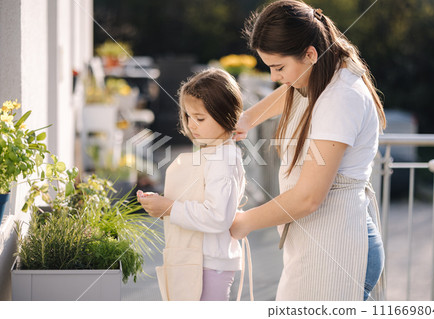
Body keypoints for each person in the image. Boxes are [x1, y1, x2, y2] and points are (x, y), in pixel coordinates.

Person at [230, 0, 385, 301]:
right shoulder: (323, 72)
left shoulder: (341, 98)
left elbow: (309, 197)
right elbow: (293, 87)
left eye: (279, 67)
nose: (275, 76)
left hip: (342, 248)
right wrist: (249, 118)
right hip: (325, 241)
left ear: (310, 54)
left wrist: (244, 222)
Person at [137, 68, 246, 301]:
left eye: (200, 118)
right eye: (187, 116)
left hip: (208, 265)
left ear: (227, 116)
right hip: (201, 262)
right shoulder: (213, 151)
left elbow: (217, 216)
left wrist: (169, 208)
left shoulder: (222, 159)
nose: (191, 124)